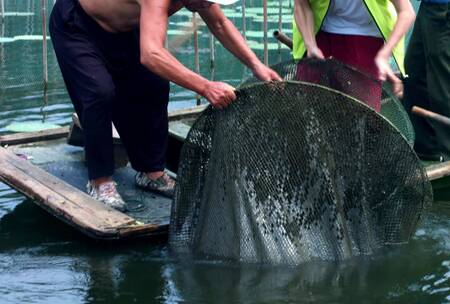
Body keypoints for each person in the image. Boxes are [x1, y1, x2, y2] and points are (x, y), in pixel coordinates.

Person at [49, 0, 281, 211]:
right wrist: (205, 87)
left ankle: (151, 172)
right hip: (78, 26)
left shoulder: (202, 1)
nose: (206, 4)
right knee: (99, 92)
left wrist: (256, 65)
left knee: (154, 84)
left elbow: (219, 23)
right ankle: (101, 182)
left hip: (125, 30)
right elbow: (150, 54)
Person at [292, 0, 415, 111]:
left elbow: (406, 12)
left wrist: (384, 54)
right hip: (320, 33)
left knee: (363, 113)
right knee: (308, 106)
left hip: (365, 39)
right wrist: (310, 45)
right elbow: (301, 4)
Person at [403, 0, 450, 161]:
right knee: (414, 73)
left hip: (448, 9)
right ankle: (427, 148)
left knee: (446, 85)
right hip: (429, 7)